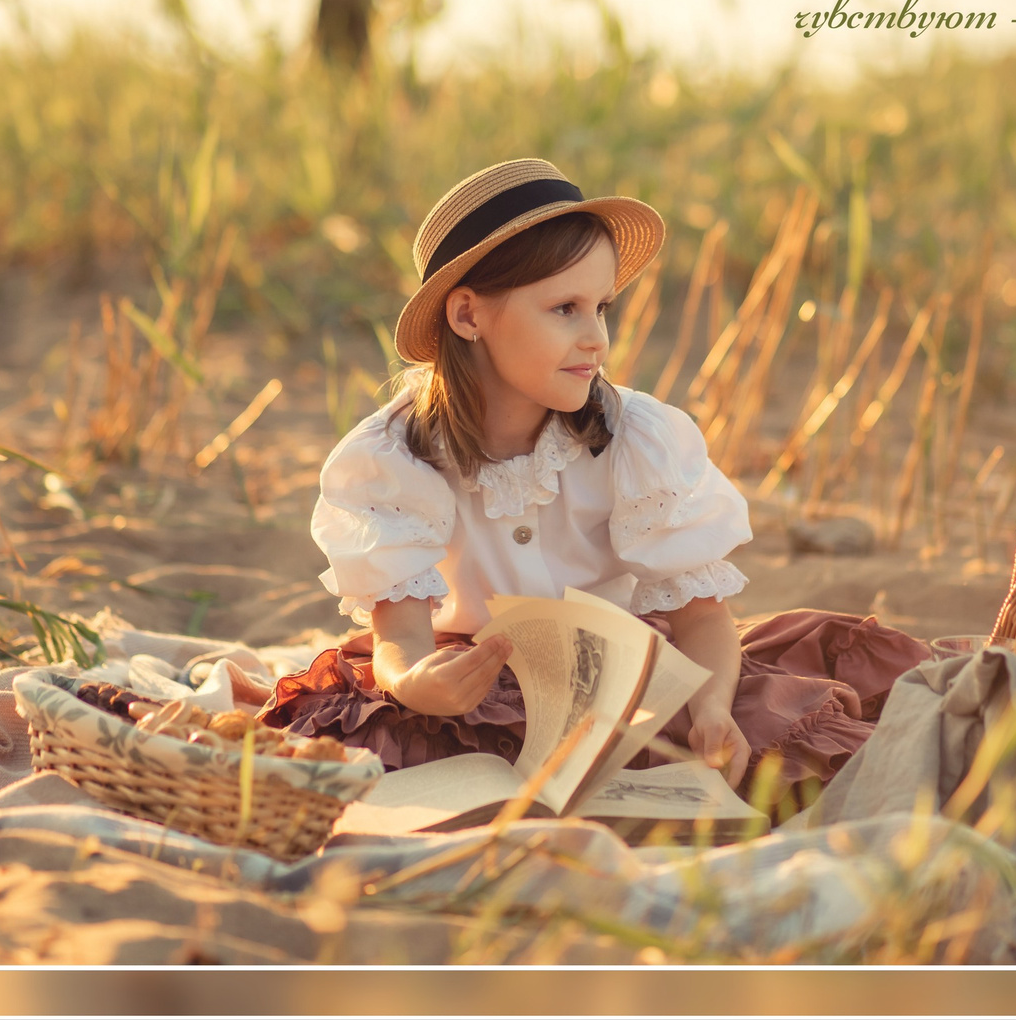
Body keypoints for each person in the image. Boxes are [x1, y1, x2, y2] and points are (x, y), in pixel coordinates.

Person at [259, 159, 927, 798]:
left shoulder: (637, 438)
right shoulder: (394, 456)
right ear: (468, 316)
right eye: (564, 309)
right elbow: (399, 638)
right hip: (473, 678)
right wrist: (414, 684)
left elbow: (701, 618)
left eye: (601, 307)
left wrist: (712, 708)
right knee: (388, 742)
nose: (597, 339)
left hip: (615, 669)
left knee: (765, 730)